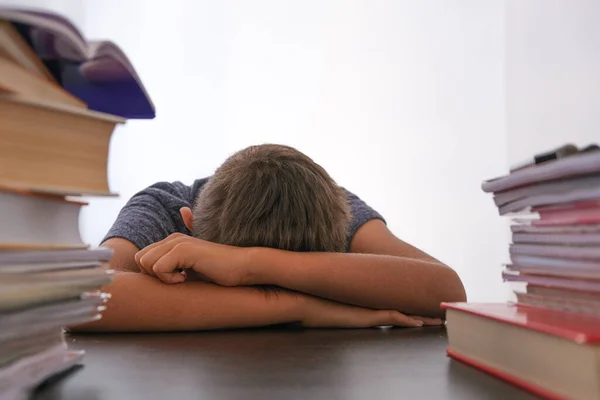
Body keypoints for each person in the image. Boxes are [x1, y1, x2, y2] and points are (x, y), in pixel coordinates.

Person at [73, 144, 466, 332]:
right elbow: (75, 298)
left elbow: (448, 291)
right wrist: (301, 306)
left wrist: (249, 265)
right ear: (187, 226)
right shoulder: (163, 208)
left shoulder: (335, 207)